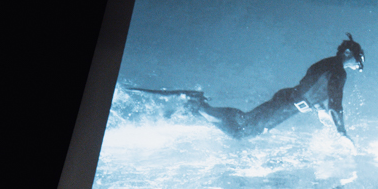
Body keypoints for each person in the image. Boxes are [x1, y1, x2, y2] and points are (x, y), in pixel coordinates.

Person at [136, 34, 364, 141]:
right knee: (242, 132)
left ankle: (198, 107)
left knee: (244, 124)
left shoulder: (327, 64)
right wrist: (341, 131)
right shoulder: (337, 71)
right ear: (347, 53)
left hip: (287, 100)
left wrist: (316, 109)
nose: (358, 66)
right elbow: (336, 103)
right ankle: (198, 105)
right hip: (287, 104)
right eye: (358, 61)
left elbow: (308, 90)